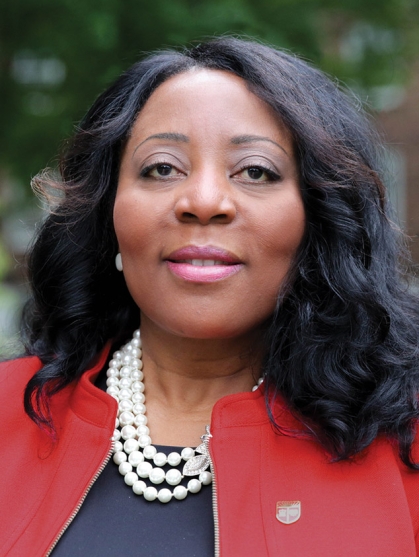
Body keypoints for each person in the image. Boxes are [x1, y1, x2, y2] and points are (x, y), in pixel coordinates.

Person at [0, 36, 418, 557]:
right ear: (108, 216)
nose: (203, 201)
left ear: (319, 219)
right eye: (162, 168)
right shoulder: (9, 412)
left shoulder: (405, 440)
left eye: (256, 172)